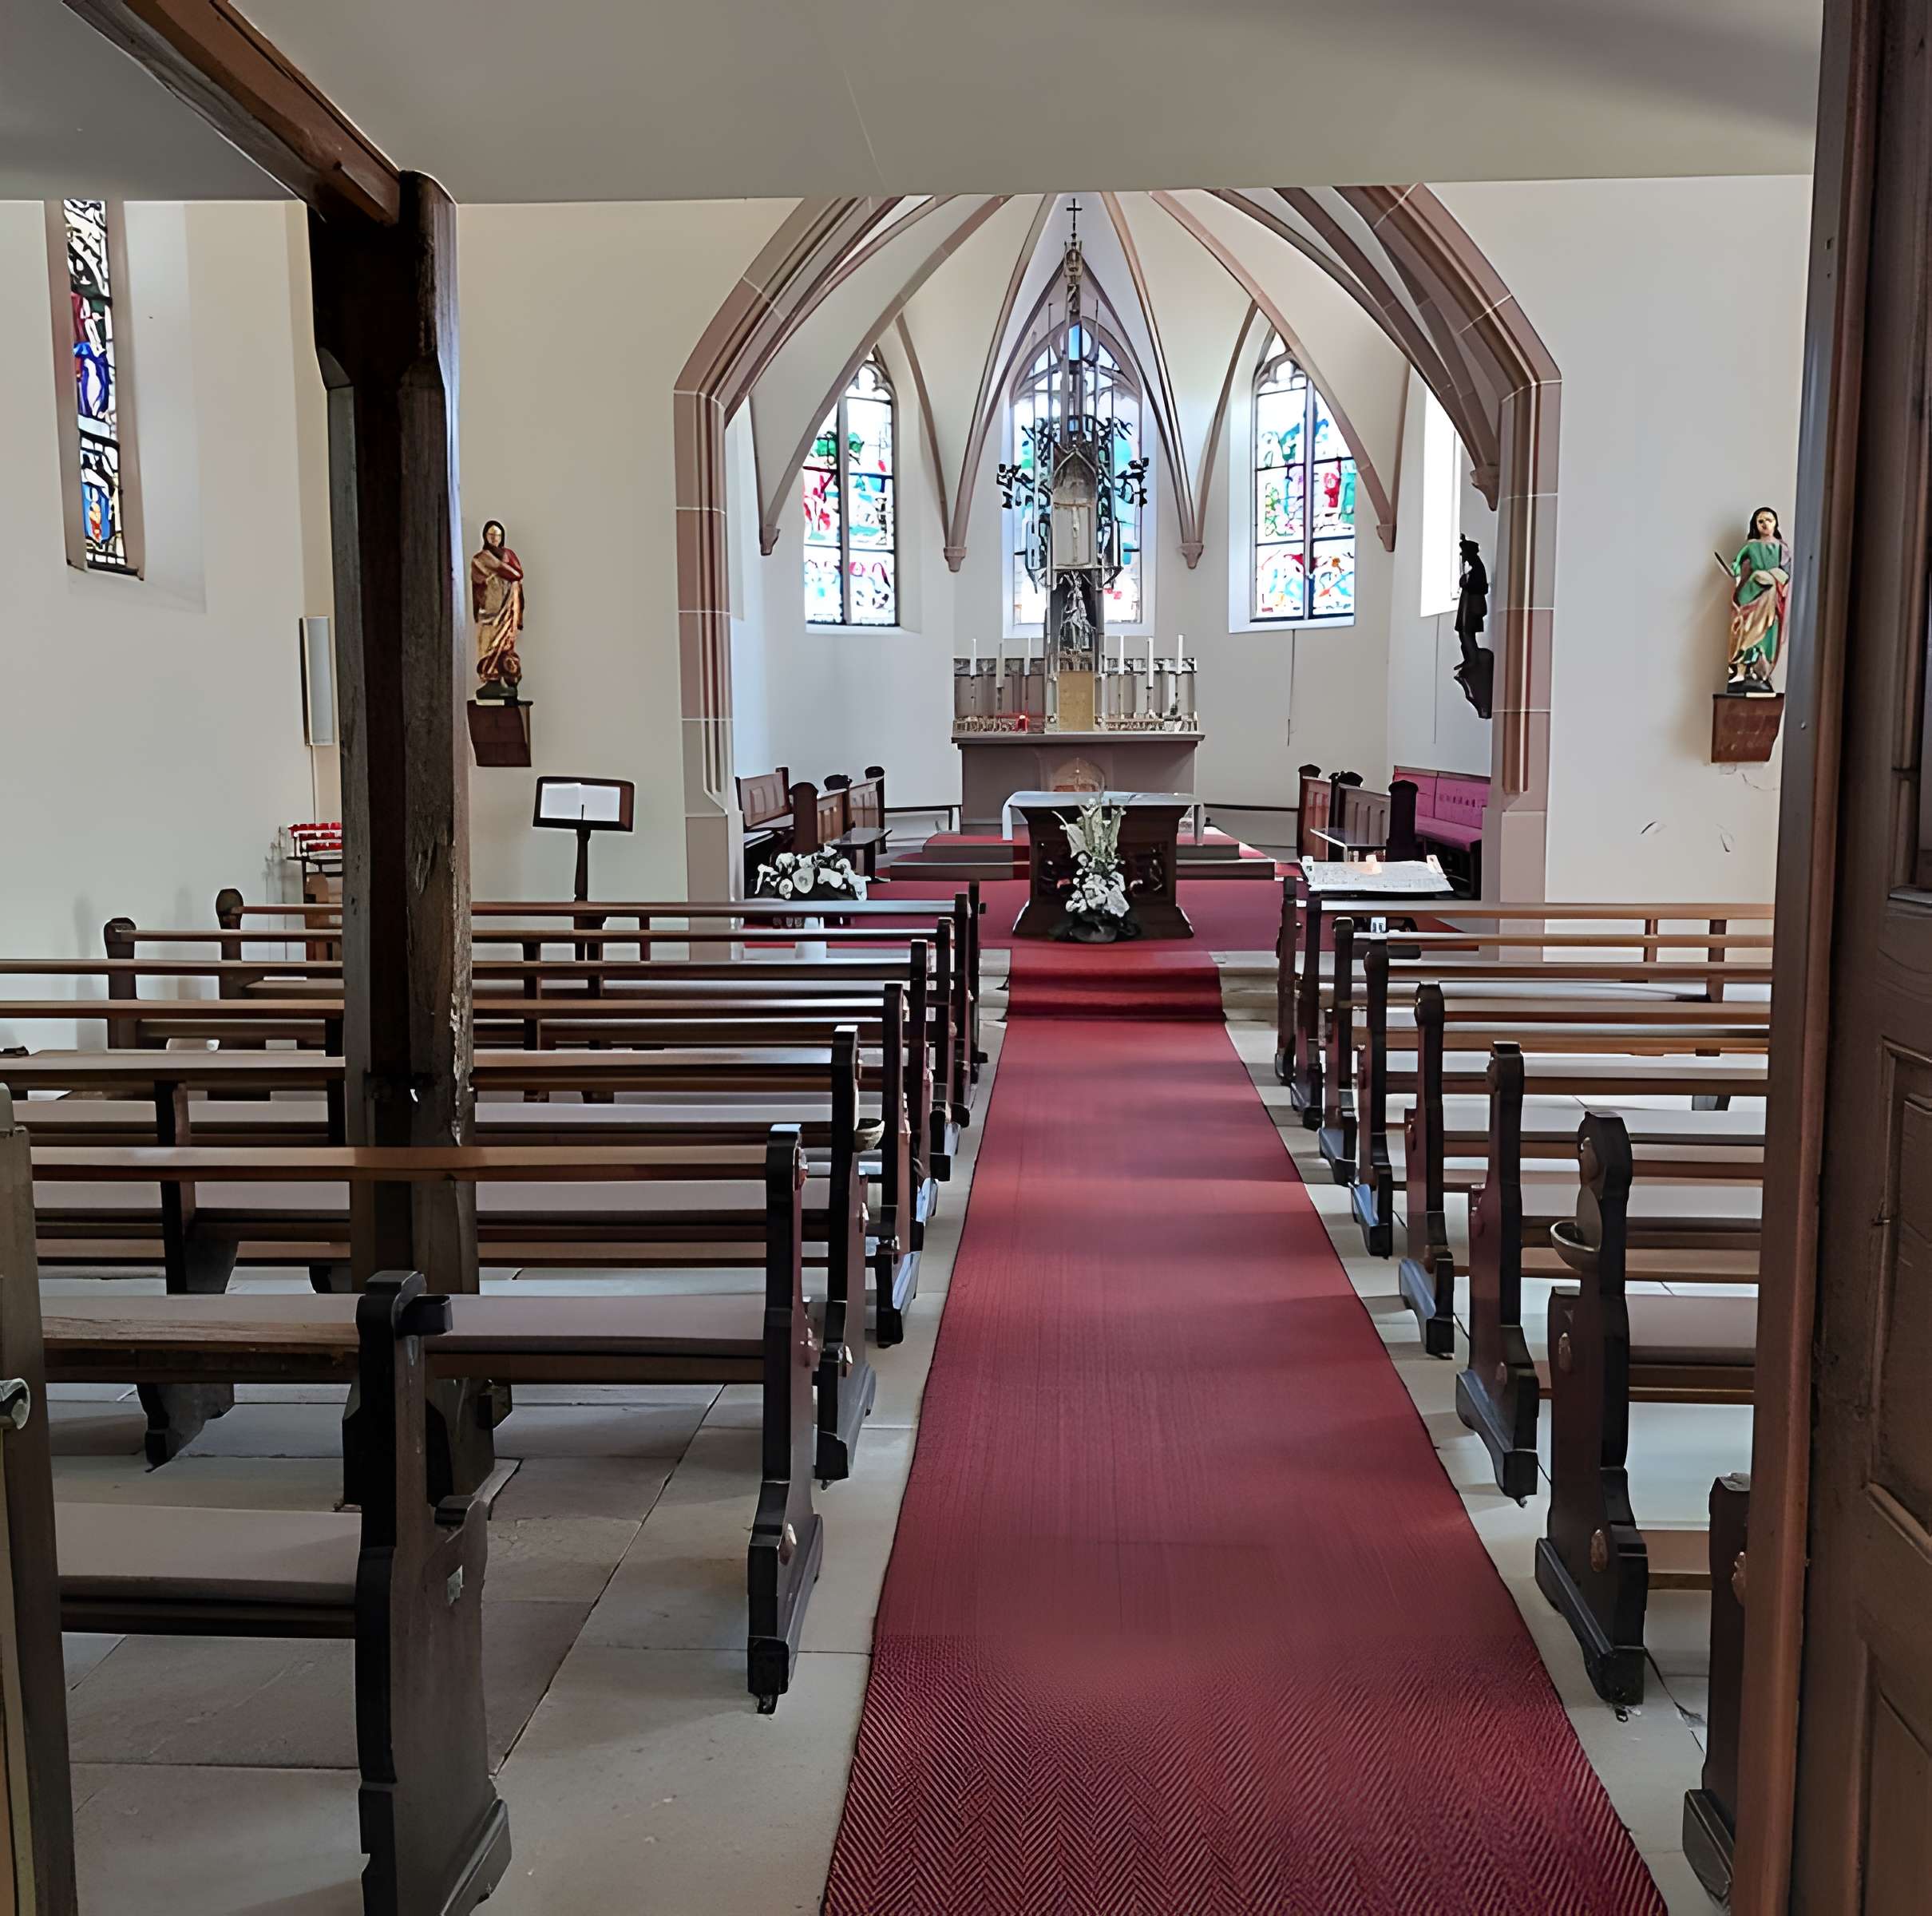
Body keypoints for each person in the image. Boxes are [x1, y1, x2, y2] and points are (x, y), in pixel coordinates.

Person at [1725, 507, 1790, 690]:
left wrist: (1779, 579)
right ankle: (1741, 669)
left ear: (1776, 523)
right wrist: (1735, 571)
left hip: (1771, 593)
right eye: (1761, 521)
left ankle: (1760, 672)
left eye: (1769, 520)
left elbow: (1787, 572)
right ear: (1755, 524)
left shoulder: (1782, 548)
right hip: (1752, 591)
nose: (1765, 524)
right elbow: (1737, 563)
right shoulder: (1751, 545)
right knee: (1746, 627)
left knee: (1768, 629)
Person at [470, 520, 526, 699]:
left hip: (508, 609)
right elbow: (478, 585)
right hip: (490, 611)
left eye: (498, 535)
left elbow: (517, 577)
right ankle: (491, 677)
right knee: (489, 644)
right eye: (491, 535)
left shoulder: (510, 556)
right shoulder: (481, 559)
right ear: (485, 537)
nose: (495, 538)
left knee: (506, 644)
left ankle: (507, 675)